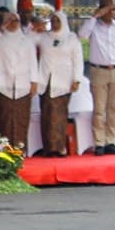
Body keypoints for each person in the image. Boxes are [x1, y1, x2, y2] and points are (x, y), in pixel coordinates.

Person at [78, 0, 115, 155]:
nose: (112, 12)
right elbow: (81, 35)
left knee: (114, 108)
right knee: (99, 109)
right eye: (108, 8)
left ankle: (110, 141)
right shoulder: (94, 26)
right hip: (99, 70)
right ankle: (99, 142)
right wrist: (95, 16)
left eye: (114, 8)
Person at [0, 9, 39, 150]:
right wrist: (1, 29)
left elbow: (33, 62)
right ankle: (5, 150)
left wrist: (34, 82)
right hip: (3, 85)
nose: (13, 24)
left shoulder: (27, 40)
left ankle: (19, 151)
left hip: (23, 85)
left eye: (16, 21)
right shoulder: (0, 38)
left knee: (21, 119)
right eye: (10, 20)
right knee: (5, 119)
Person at [34, 11, 84, 156]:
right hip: (46, 81)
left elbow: (78, 60)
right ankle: (48, 148)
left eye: (58, 20)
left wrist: (77, 79)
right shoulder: (44, 37)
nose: (55, 23)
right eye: (53, 20)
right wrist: (34, 29)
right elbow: (27, 40)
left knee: (59, 115)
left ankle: (59, 148)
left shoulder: (71, 38)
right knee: (47, 115)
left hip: (63, 82)